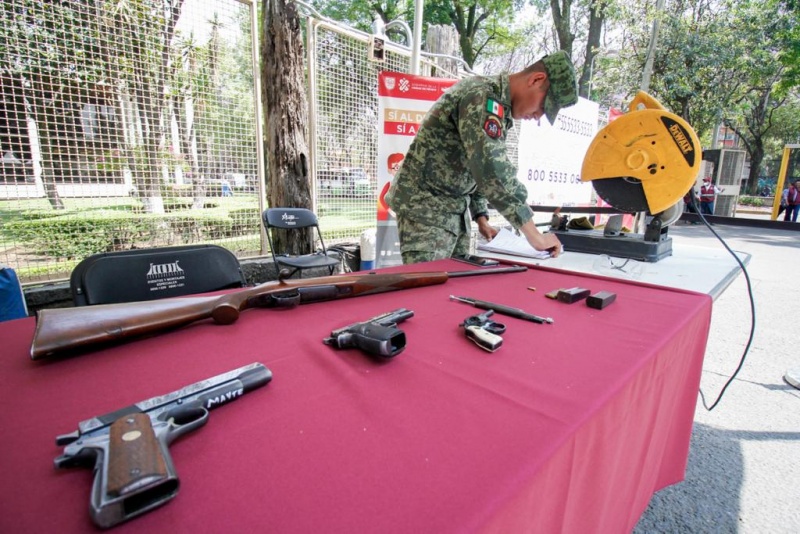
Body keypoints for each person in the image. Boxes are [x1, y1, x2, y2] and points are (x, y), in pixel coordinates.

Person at [385, 51, 578, 264]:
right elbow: (491, 169)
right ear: (536, 79)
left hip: (454, 212)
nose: (538, 116)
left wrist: (481, 216)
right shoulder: (481, 96)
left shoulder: (497, 106)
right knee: (426, 291)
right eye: (543, 107)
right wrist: (534, 236)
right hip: (426, 209)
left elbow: (473, 166)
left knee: (452, 289)